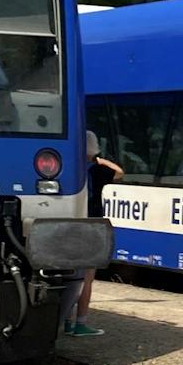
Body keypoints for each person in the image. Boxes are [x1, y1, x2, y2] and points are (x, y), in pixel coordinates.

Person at [67, 130, 123, 337]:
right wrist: (100, 159)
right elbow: (119, 172)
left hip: (70, 224)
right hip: (91, 226)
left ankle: (65, 320)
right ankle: (80, 324)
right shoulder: (98, 171)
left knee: (68, 274)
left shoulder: (70, 168)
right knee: (87, 278)